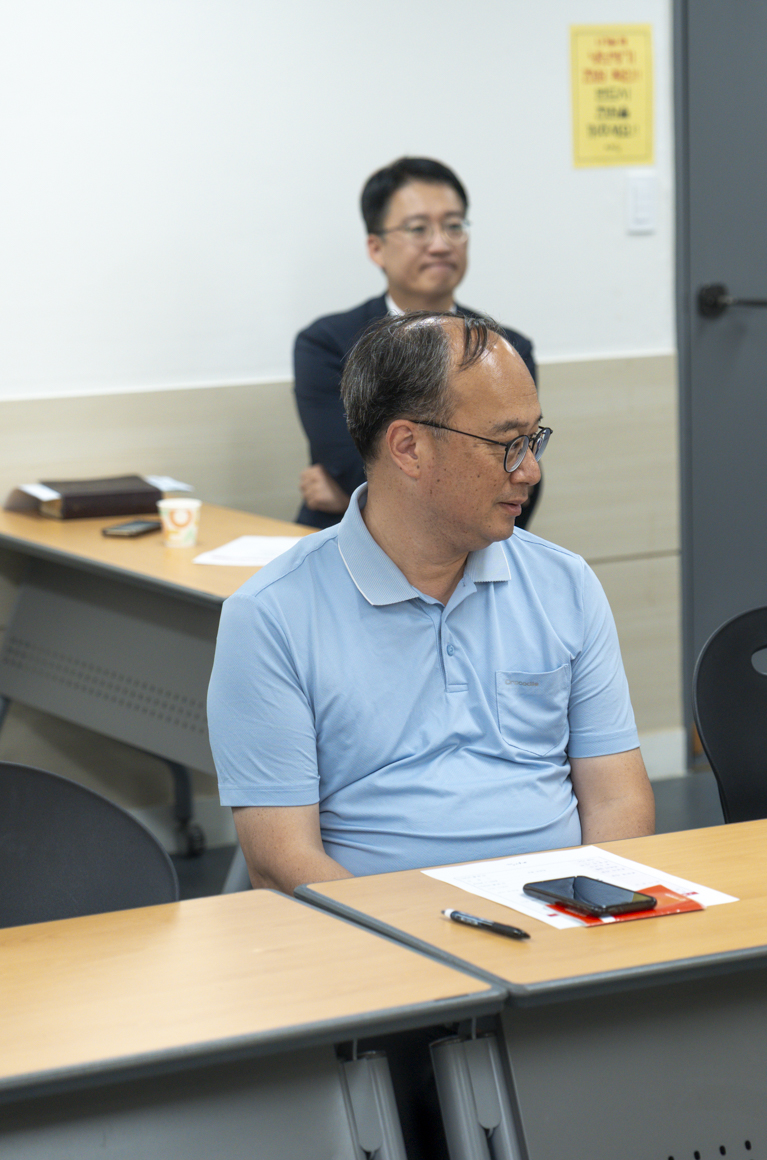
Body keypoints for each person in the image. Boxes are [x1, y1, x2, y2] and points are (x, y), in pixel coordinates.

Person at [209, 312, 653, 890]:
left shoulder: (564, 584)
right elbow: (280, 859)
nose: (531, 471)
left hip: (562, 914)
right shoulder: (271, 615)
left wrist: (596, 905)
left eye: (534, 440)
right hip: (380, 931)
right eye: (508, 444)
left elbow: (619, 800)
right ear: (409, 447)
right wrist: (410, 934)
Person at [293, 156, 541, 529]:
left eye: (454, 226)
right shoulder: (329, 343)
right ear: (376, 247)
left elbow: (522, 474)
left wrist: (351, 501)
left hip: (471, 548)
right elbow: (348, 465)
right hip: (345, 541)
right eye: (418, 229)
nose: (440, 244)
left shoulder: (505, 350)